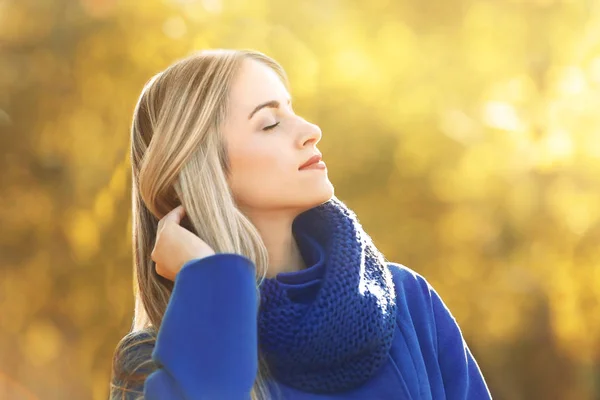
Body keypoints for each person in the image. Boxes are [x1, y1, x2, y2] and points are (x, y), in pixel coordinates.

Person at [109, 49, 492, 400]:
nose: (311, 130)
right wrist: (210, 283)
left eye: (292, 110)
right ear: (201, 171)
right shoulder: (151, 364)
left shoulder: (408, 301)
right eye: (270, 123)